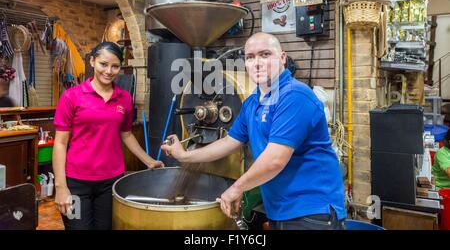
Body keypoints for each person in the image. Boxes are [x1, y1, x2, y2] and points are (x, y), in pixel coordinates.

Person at [162, 32, 346, 230]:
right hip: (279, 210)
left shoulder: (295, 95)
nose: (257, 62)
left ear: (282, 58)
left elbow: (275, 160)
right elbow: (229, 142)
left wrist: (237, 188)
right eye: (250, 57)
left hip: (311, 212)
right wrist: (184, 155)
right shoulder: (252, 102)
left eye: (265, 54)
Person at [53, 42, 164, 230]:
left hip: (111, 183)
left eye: (115, 66)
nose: (109, 71)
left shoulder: (124, 98)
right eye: (103, 64)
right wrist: (61, 187)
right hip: (76, 183)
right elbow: (60, 143)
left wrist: (148, 160)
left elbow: (126, 134)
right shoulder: (72, 96)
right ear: (92, 61)